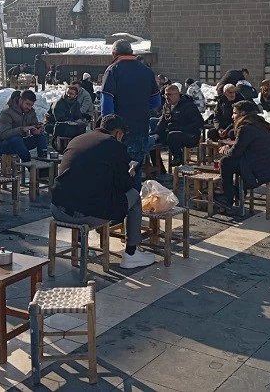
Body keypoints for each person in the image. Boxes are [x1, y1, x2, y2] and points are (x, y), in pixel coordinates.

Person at [51, 114, 155, 269]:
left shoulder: (78, 139)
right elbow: (125, 185)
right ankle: (131, 253)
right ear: (118, 133)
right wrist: (130, 173)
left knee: (82, 190)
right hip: (88, 214)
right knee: (134, 195)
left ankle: (80, 246)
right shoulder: (115, 146)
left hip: (58, 208)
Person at [100, 39, 161, 188]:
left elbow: (106, 102)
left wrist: (106, 127)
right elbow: (156, 102)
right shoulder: (147, 71)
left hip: (118, 131)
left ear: (114, 53)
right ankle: (134, 200)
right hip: (141, 127)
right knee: (135, 169)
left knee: (116, 170)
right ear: (131, 52)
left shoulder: (113, 70)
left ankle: (118, 201)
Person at [214, 100, 270, 212]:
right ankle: (236, 191)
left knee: (225, 162)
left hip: (258, 172)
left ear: (242, 113)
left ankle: (228, 197)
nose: (232, 116)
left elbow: (235, 153)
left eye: (235, 113)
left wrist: (226, 150)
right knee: (233, 162)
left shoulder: (245, 128)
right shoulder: (262, 125)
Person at [154, 84, 204, 167]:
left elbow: (199, 122)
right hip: (173, 133)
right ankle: (159, 169)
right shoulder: (167, 105)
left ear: (177, 95)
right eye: (165, 95)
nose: (167, 97)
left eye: (169, 95)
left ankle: (178, 158)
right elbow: (163, 121)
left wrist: (181, 128)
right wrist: (156, 133)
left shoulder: (188, 106)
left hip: (190, 135)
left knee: (172, 135)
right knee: (153, 141)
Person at [0, 89, 47, 162]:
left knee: (41, 137)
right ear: (20, 100)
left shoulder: (30, 111)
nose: (29, 107)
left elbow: (34, 124)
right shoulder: (7, 112)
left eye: (31, 105)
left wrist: (37, 130)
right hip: (0, 144)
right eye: (27, 104)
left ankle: (43, 162)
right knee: (17, 140)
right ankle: (28, 163)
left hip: (20, 142)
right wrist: (22, 129)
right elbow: (4, 134)